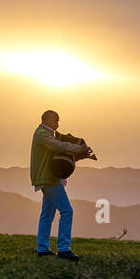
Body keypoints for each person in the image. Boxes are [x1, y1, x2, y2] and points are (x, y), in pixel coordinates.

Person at [30, 109, 90, 261]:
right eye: (56, 120)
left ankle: (42, 248)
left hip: (50, 179)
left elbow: (55, 152)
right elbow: (59, 146)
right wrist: (79, 148)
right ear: (48, 120)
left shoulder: (45, 134)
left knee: (47, 215)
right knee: (67, 211)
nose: (58, 124)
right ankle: (64, 248)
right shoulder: (42, 134)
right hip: (49, 180)